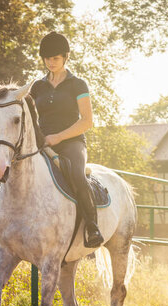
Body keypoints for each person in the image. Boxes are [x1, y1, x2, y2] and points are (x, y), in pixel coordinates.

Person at [30, 31, 104, 248]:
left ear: (65, 57)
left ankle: (92, 226)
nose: (51, 63)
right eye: (47, 59)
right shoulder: (37, 87)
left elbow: (87, 121)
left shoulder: (78, 85)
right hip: (42, 142)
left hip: (72, 142)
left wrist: (59, 137)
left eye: (55, 59)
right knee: (14, 167)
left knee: (77, 175)